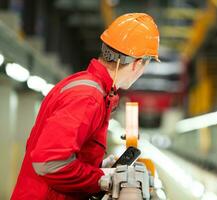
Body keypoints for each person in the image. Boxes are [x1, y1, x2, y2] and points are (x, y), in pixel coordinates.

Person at [11, 13, 159, 200]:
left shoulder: (88, 87)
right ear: (137, 64)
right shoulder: (88, 97)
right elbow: (48, 162)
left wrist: (99, 167)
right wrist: (102, 178)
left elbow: (65, 153)